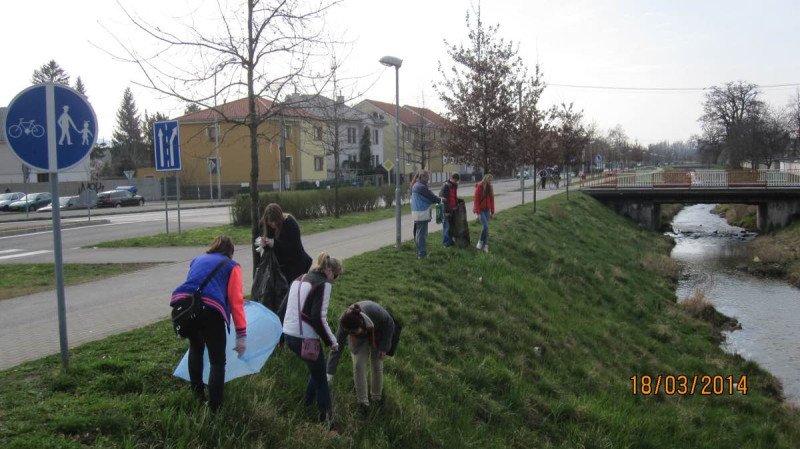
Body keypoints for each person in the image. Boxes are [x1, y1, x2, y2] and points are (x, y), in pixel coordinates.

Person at [170, 236, 247, 412]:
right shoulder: (232, 266)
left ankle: (197, 395)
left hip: (190, 310)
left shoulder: (197, 260)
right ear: (230, 252)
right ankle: (214, 408)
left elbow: (199, 285)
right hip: (212, 312)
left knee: (196, 348)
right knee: (217, 361)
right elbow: (236, 302)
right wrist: (241, 335)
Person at [279, 252, 342, 424]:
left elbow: (283, 308)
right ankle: (327, 422)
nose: (334, 280)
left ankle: (306, 405)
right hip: (305, 339)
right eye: (335, 276)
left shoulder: (299, 279)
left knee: (316, 370)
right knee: (322, 380)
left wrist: (281, 338)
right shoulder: (323, 284)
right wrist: (332, 342)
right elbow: (318, 317)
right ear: (329, 270)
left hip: (289, 334)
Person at [327, 301, 396, 417]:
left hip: (378, 332)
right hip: (358, 340)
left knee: (377, 365)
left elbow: (390, 324)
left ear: (361, 324)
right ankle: (363, 404)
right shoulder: (345, 323)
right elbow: (336, 347)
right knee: (358, 366)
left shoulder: (376, 311)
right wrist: (329, 374)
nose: (350, 333)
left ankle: (377, 398)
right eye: (349, 332)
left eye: (353, 331)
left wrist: (384, 347)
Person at [259, 203, 312, 284]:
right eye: (270, 222)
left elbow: (294, 247)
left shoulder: (289, 223)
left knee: (291, 291)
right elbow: (270, 249)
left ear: (280, 218)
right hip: (279, 267)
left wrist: (274, 243)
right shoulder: (264, 225)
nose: (273, 224)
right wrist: (265, 245)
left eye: (275, 221)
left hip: (296, 264)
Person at [410, 170, 441, 259]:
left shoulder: (416, 185)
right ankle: (422, 254)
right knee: (421, 235)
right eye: (427, 177)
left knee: (419, 233)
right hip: (421, 213)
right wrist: (440, 200)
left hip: (417, 212)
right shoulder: (421, 187)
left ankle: (419, 252)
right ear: (422, 177)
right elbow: (431, 197)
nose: (428, 179)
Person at [473, 174, 495, 253]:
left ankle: (485, 245)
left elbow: (492, 200)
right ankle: (480, 241)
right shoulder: (479, 186)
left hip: (487, 209)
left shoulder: (490, 187)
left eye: (491, 180)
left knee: (486, 228)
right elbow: (476, 200)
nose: (490, 182)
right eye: (489, 180)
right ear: (485, 179)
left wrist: (492, 212)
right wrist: (478, 213)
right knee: (485, 226)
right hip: (481, 210)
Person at [439, 173, 460, 247]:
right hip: (447, 210)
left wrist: (457, 204)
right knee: (446, 227)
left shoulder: (454, 186)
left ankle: (450, 241)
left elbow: (454, 197)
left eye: (457, 181)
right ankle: (445, 243)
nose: (455, 182)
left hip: (453, 209)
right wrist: (446, 211)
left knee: (451, 227)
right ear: (451, 178)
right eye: (455, 180)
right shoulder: (446, 186)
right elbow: (443, 199)